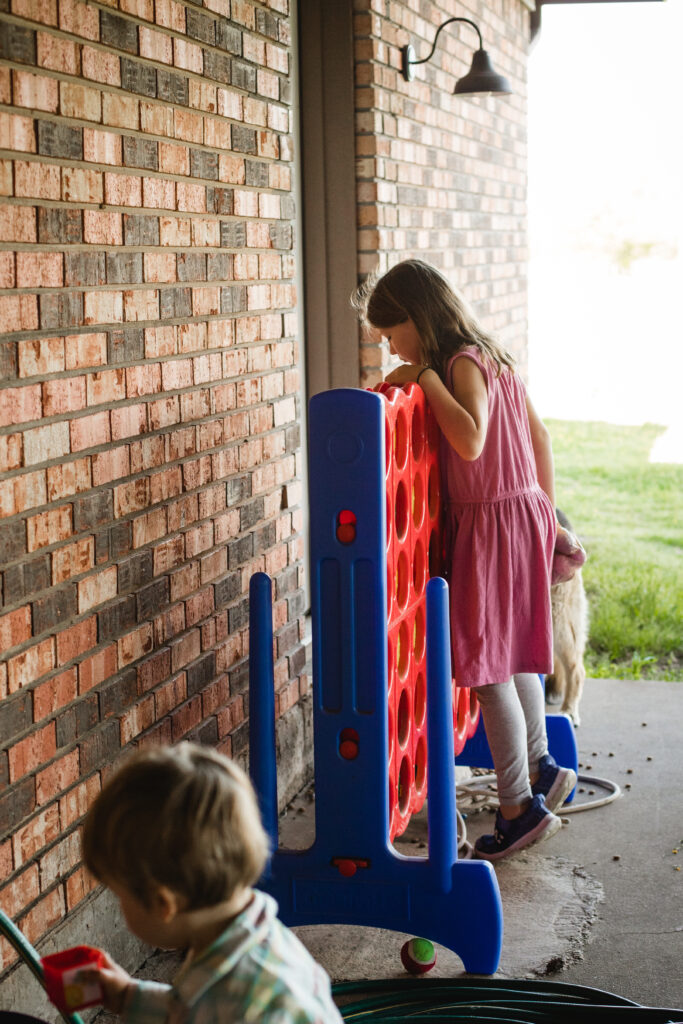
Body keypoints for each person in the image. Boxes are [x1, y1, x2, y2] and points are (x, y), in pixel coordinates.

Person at [353, 259, 578, 861]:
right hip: (520, 516)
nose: (386, 344)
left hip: (491, 526)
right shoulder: (494, 355)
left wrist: (424, 378)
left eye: (389, 330)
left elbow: (472, 438)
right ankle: (542, 767)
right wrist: (546, 518)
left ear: (416, 320)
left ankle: (518, 809)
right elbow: (542, 438)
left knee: (483, 670)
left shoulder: (458, 364)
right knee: (513, 652)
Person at [80, 742, 343, 1023]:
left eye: (120, 896)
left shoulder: (260, 1007)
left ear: (162, 903)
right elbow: (193, 1011)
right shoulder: (232, 943)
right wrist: (127, 996)